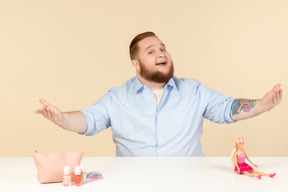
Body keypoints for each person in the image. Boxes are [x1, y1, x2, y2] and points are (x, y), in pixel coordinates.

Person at [35, 31, 282, 157]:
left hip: (190, 185)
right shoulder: (116, 98)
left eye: (163, 48)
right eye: (151, 52)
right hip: (134, 186)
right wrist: (60, 118)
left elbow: (227, 108)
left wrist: (261, 105)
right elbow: (88, 120)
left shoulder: (194, 90)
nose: (161, 53)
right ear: (136, 64)